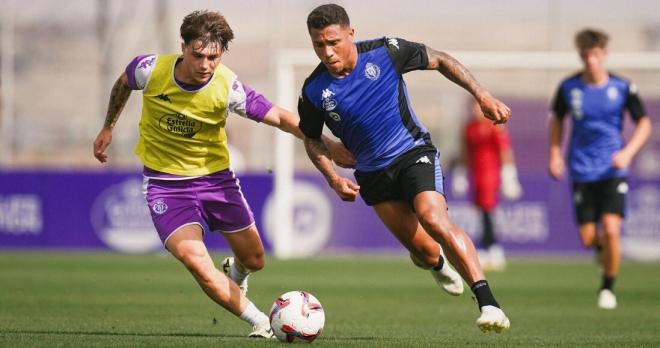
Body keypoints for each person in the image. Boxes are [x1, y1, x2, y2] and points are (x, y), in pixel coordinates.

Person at [93, 10, 353, 338]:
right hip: (165, 187)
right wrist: (108, 128)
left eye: (213, 57)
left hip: (216, 182)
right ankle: (261, 322)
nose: (205, 65)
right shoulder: (149, 69)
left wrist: (327, 143)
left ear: (222, 54)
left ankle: (237, 271)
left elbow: (282, 118)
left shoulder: (227, 86)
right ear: (182, 47)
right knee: (197, 262)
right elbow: (122, 84)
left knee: (255, 260)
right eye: (197, 55)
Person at [298, 4, 511, 333]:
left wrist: (480, 94)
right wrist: (332, 177)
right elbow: (311, 139)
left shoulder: (385, 51)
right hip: (372, 174)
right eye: (318, 45)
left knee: (433, 218)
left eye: (333, 42)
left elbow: (440, 59)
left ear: (350, 34)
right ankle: (437, 264)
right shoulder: (314, 91)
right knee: (425, 253)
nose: (327, 52)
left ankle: (489, 303)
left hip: (412, 152)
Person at [548, 28, 652, 310]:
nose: (590, 60)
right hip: (581, 169)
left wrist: (628, 153)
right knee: (588, 238)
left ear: (604, 55)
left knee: (611, 229)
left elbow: (644, 123)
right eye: (585, 55)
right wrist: (555, 153)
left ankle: (607, 288)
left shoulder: (622, 87)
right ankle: (602, 254)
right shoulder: (569, 87)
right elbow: (557, 120)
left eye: (595, 54)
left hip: (612, 170)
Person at [452, 101, 522, 271]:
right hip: (475, 175)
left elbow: (505, 150)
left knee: (487, 211)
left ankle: (491, 247)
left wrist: (509, 175)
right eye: (473, 107)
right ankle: (489, 247)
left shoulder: (494, 126)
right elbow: (464, 151)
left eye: (478, 106)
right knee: (481, 211)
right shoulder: (468, 128)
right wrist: (460, 173)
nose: (475, 110)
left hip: (490, 175)